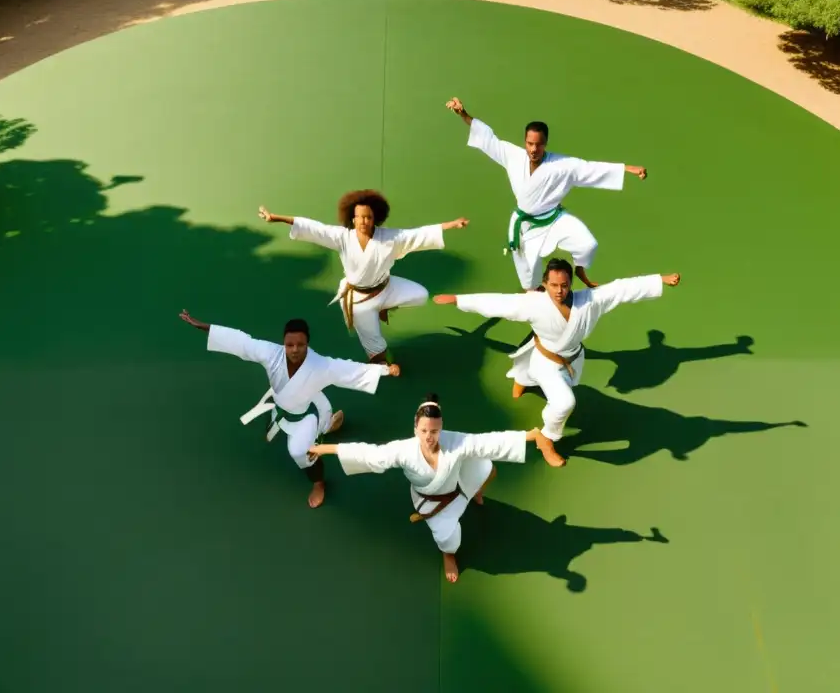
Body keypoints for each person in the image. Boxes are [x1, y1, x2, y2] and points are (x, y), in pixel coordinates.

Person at [433, 258, 680, 467]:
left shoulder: (589, 301)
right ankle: (547, 438)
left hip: (573, 358)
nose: (559, 290)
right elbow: (499, 303)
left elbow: (621, 289)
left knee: (548, 382)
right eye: (553, 285)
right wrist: (458, 299)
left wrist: (659, 280)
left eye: (564, 285)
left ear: (571, 283)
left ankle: (522, 379)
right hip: (546, 360)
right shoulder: (534, 303)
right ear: (544, 284)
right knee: (564, 402)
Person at [307, 393, 551, 583]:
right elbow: (370, 454)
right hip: (432, 502)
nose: (429, 436)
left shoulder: (456, 441)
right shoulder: (403, 450)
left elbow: (489, 441)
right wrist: (325, 449)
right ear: (415, 429)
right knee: (447, 537)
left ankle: (475, 490)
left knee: (487, 466)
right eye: (424, 431)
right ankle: (448, 555)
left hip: (457, 483)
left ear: (441, 428)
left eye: (434, 431)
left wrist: (529, 435)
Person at [178, 310, 400, 508]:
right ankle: (329, 424)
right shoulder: (271, 353)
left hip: (307, 414)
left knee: (299, 451)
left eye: (300, 345)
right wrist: (203, 326)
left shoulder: (321, 366)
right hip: (284, 406)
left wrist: (386, 371)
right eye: (290, 344)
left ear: (308, 343)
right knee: (281, 421)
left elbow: (350, 370)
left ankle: (319, 482)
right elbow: (242, 342)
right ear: (283, 342)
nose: (294, 350)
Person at [446, 96, 647, 292]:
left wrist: (627, 169)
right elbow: (488, 139)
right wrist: (463, 113)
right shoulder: (513, 156)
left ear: (546, 143)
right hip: (525, 225)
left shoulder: (561, 165)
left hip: (553, 219)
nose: (534, 149)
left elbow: (588, 168)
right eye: (530, 143)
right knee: (530, 277)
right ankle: (534, 296)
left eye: (539, 144)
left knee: (588, 244)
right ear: (525, 142)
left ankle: (579, 270)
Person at [258, 189, 469, 363]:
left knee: (421, 294)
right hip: (359, 300)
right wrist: (276, 218)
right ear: (353, 218)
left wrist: (451, 224)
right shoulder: (342, 237)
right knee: (373, 342)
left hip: (386, 287)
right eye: (360, 217)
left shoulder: (390, 238)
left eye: (368, 217)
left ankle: (383, 307)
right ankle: (380, 364)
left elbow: (418, 234)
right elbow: (315, 228)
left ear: (374, 218)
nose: (364, 221)